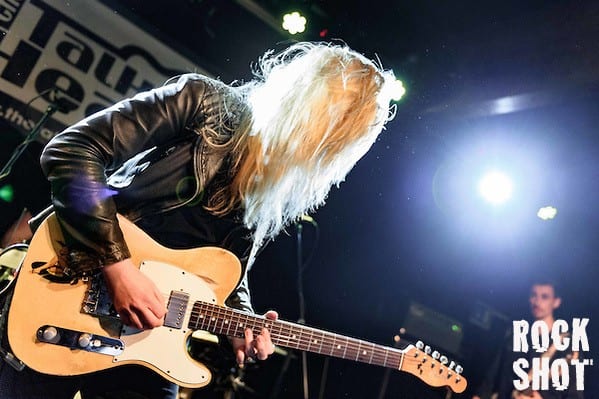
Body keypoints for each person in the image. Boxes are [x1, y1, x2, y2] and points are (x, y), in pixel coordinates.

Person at [0, 42, 396, 398]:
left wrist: (240, 322)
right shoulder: (203, 102)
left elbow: (223, 267)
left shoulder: (271, 187)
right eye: (328, 133)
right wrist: (119, 269)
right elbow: (71, 150)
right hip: (69, 286)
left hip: (147, 344)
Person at [472, 280, 583, 399]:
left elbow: (574, 395)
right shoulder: (516, 336)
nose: (537, 301)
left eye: (544, 297)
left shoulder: (567, 347)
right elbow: (491, 378)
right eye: (533, 295)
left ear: (556, 302)